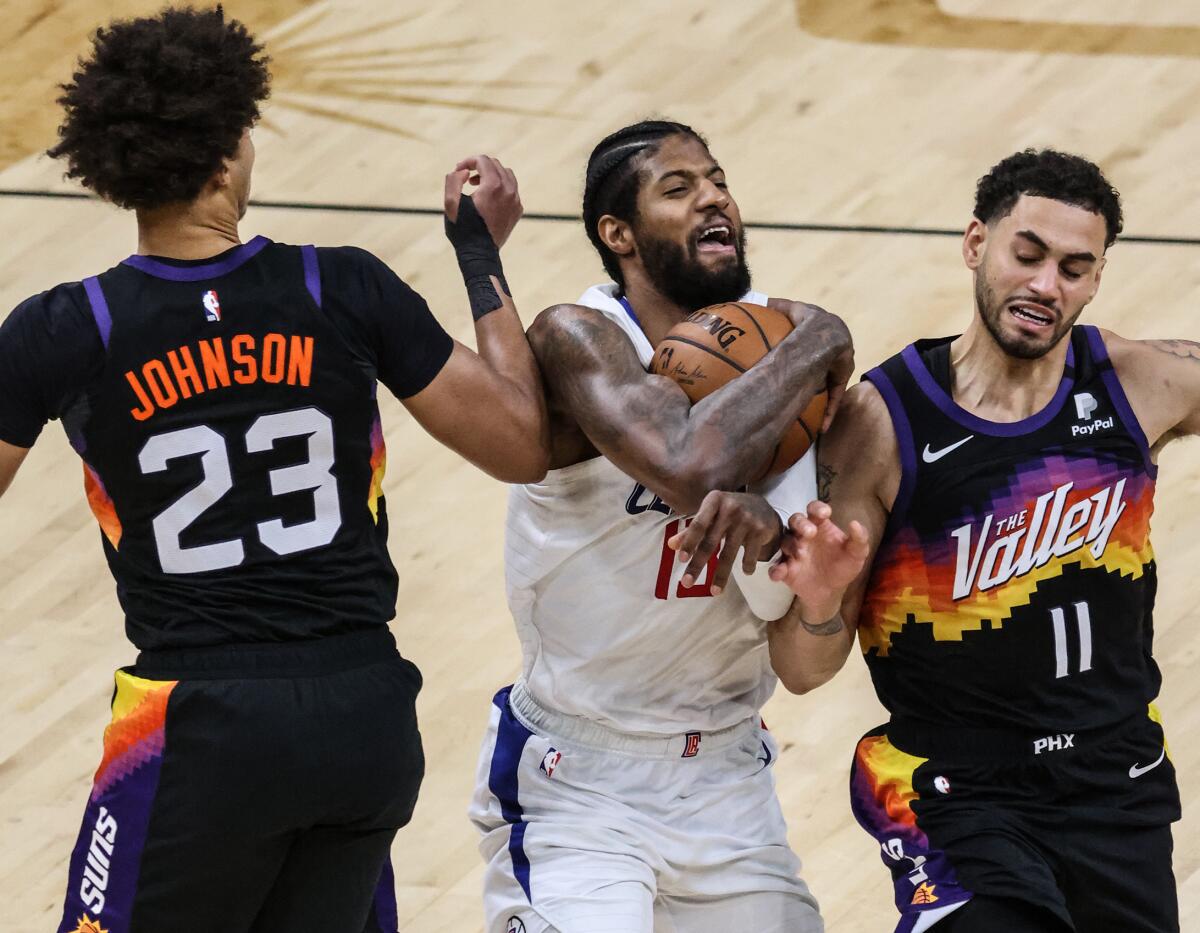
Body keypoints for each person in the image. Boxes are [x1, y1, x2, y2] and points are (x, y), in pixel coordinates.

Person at [0, 8, 547, 933]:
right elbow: (522, 443)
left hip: (202, 723)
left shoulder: (67, 328)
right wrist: (478, 253)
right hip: (365, 714)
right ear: (224, 157)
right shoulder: (341, 287)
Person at [753, 148, 1195, 932]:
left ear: (1096, 280)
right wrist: (819, 598)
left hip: (1114, 774)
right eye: (1027, 255)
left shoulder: (1135, 380)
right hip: (959, 790)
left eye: (1072, 268)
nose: (1044, 286)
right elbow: (802, 667)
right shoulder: (885, 422)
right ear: (974, 245)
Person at [468, 118, 854, 933]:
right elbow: (685, 462)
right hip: (579, 782)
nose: (713, 197)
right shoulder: (580, 337)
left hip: (725, 779)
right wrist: (822, 334)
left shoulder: (775, 354)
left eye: (717, 180)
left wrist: (777, 541)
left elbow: (798, 641)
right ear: (620, 235)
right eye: (678, 188)